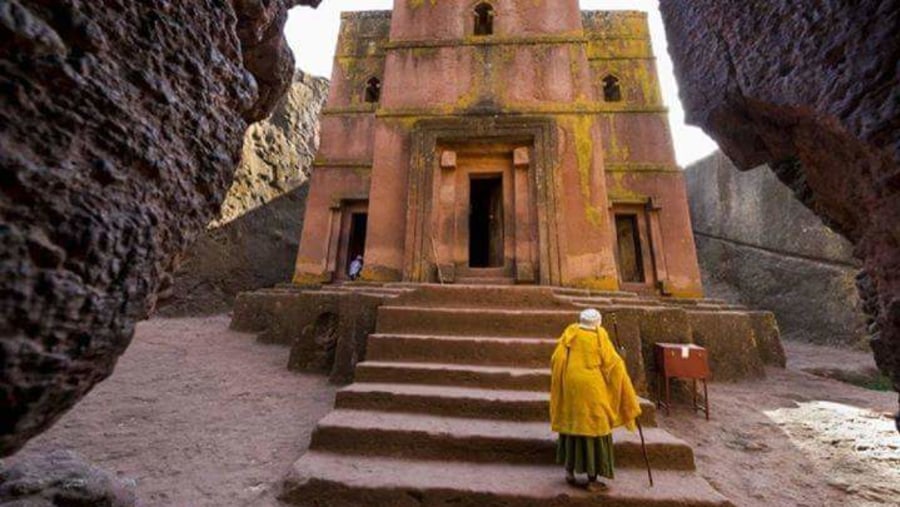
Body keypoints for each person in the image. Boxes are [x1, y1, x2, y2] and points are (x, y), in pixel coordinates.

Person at [549, 308, 642, 492]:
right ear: (597, 323)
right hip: (592, 387)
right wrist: (621, 361)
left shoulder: (571, 333)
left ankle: (569, 472)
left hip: (571, 385)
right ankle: (592, 480)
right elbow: (613, 365)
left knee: (573, 423)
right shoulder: (600, 336)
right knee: (596, 426)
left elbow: (556, 359)